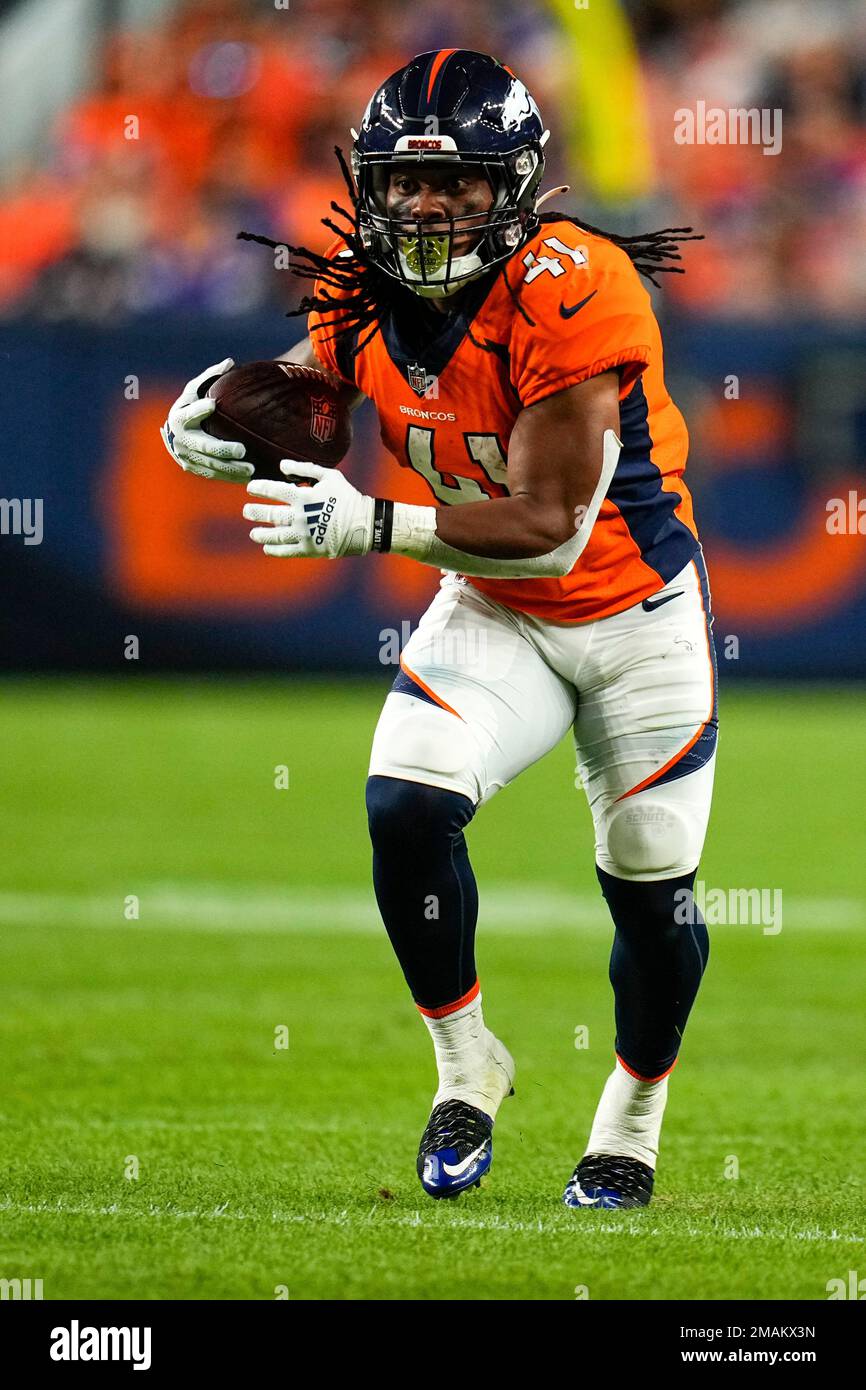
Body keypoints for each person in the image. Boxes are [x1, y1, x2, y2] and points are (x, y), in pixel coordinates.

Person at [161, 49, 716, 1209]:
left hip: (630, 615)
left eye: (456, 183)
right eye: (403, 183)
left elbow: (554, 527)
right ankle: (466, 1066)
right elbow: (313, 384)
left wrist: (368, 521)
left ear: (511, 183)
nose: (423, 206)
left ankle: (632, 1113)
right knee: (403, 802)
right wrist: (219, 417)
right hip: (494, 611)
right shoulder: (354, 288)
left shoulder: (578, 284)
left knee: (652, 900)